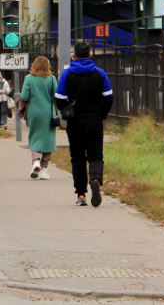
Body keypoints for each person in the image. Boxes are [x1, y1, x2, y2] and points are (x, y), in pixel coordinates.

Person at [55, 41, 113, 207]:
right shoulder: (99, 73)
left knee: (77, 157)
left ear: (74, 56)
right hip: (94, 120)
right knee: (95, 155)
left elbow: (59, 98)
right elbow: (109, 96)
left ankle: (81, 194)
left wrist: (66, 110)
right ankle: (95, 179)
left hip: (75, 123)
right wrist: (102, 113)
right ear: (90, 55)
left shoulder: (67, 74)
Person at [19, 57, 58, 181]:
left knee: (35, 136)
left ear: (34, 65)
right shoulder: (52, 79)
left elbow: (24, 96)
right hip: (48, 112)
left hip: (33, 112)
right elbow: (56, 94)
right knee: (48, 139)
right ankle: (44, 169)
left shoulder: (29, 78)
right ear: (48, 66)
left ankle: (35, 161)